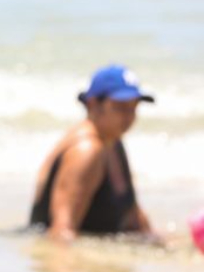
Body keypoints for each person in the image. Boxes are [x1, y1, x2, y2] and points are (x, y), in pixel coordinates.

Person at [28, 65, 158, 242]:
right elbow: (61, 231)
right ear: (93, 104)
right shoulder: (86, 150)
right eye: (120, 107)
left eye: (133, 107)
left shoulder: (113, 141)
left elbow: (133, 216)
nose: (129, 117)